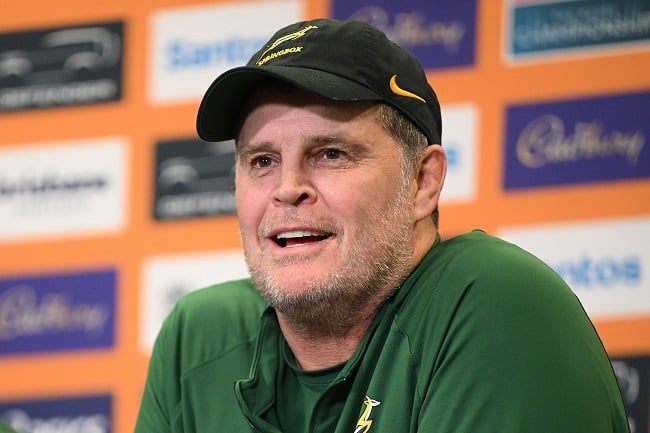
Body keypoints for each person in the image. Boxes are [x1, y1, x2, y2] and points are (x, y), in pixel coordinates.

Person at [135, 18, 629, 433]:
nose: (288, 188)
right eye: (262, 161)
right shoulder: (199, 337)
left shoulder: (495, 300)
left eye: (330, 153)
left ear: (422, 182)